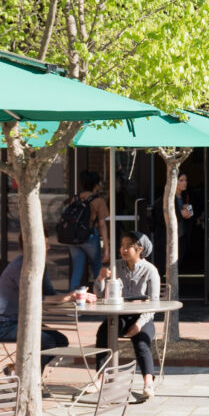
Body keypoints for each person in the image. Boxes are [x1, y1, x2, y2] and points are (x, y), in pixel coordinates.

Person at [0, 233, 71, 360]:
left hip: (23, 321)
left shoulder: (40, 264)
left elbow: (50, 294)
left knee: (61, 341)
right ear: (31, 247)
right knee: (48, 342)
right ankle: (33, 377)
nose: (48, 247)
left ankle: (22, 369)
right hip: (3, 325)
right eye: (45, 244)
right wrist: (67, 297)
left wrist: (74, 297)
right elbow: (33, 299)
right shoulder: (21, 267)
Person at [105, 232, 167, 401]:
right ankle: (100, 379)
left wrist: (139, 324)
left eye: (127, 246)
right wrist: (101, 278)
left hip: (143, 316)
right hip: (120, 315)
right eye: (121, 246)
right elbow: (101, 295)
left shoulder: (150, 270)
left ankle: (148, 382)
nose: (123, 250)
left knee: (141, 342)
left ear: (139, 249)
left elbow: (154, 304)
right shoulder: (116, 266)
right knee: (102, 333)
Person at [56, 171, 105, 292]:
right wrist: (107, 248)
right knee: (97, 270)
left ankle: (74, 302)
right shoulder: (98, 201)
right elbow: (102, 225)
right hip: (90, 237)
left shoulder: (76, 198)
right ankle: (100, 297)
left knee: (77, 270)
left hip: (74, 238)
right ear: (96, 185)